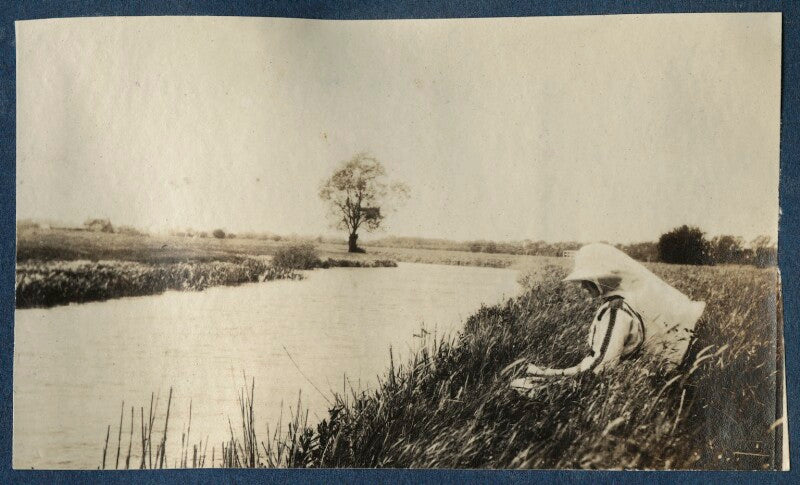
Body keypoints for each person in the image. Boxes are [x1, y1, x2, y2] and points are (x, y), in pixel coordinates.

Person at [511, 243, 706, 391]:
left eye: (587, 280)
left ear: (603, 279)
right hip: (634, 380)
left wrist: (544, 373)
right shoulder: (630, 301)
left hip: (602, 383)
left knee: (518, 385)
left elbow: (600, 368)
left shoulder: (615, 311)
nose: (582, 286)